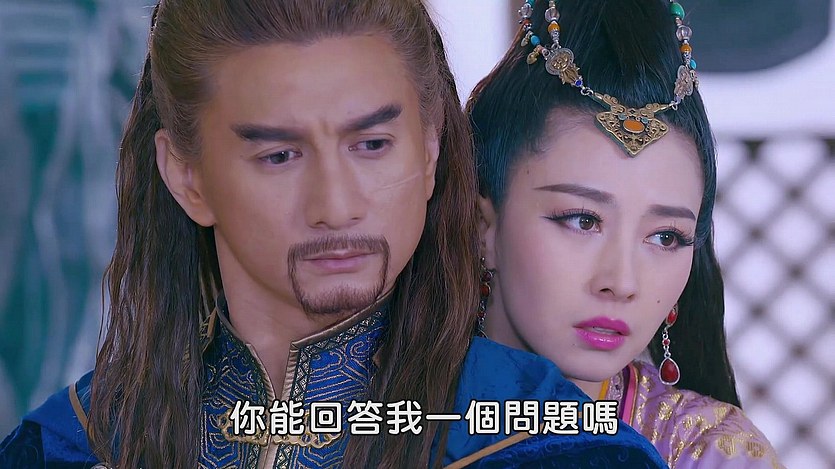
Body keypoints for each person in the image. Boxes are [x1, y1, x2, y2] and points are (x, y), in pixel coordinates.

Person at [0, 1, 671, 468]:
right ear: (187, 177)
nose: (337, 205)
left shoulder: (550, 447)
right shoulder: (72, 445)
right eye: (279, 156)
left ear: (430, 150)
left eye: (372, 145)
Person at [468, 0, 784, 467]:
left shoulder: (707, 451)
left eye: (665, 237)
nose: (622, 282)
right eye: (583, 220)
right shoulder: (382, 420)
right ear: (483, 228)